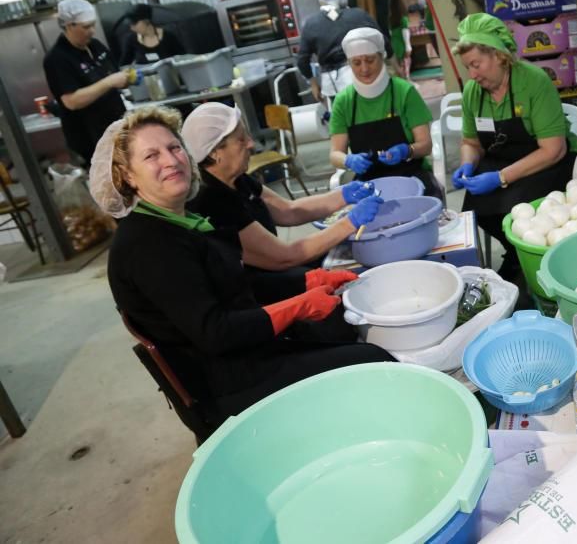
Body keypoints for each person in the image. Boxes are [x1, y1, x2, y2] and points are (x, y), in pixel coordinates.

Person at [91, 105, 394, 419]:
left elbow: (236, 280)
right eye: (151, 156)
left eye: (174, 148)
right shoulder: (148, 244)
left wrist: (309, 281)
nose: (170, 160)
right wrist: (300, 305)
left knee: (342, 328)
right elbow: (216, 332)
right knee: (373, 360)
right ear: (126, 175)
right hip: (225, 382)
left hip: (247, 352)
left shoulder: (180, 219)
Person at [451, 13, 577, 277]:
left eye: (476, 64)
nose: (473, 74)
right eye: (468, 67)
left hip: (547, 162)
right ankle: (516, 254)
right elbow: (471, 142)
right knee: (476, 208)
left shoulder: (534, 82)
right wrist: (467, 163)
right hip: (502, 158)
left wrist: (501, 177)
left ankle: (532, 258)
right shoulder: (472, 93)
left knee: (522, 206)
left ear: (499, 55)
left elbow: (553, 149)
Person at [182, 102, 384, 273]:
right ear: (215, 152)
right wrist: (350, 222)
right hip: (258, 290)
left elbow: (289, 211)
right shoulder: (212, 201)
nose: (251, 144)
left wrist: (343, 195)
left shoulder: (237, 180)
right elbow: (283, 257)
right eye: (242, 139)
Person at [328, 27, 441, 198]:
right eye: (357, 63)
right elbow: (335, 154)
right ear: (349, 64)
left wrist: (407, 151)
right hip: (369, 182)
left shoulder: (404, 92)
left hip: (412, 175)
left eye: (370, 60)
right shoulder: (344, 101)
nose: (364, 69)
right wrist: (348, 160)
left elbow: (425, 145)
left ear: (382, 57)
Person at [43, 0, 127, 165]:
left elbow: (114, 73)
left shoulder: (95, 45)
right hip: (91, 136)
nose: (92, 31)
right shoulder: (57, 58)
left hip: (117, 125)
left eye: (93, 24)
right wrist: (109, 81)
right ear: (68, 26)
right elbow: (72, 101)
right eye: (86, 27)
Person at [296, 0, 387, 103]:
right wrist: (396, 68)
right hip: (367, 78)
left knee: (344, 121)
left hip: (334, 86)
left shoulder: (311, 24)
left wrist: (313, 83)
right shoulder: (359, 15)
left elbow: (302, 61)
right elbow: (384, 43)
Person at [118, 3, 185, 65]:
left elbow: (184, 58)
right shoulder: (131, 40)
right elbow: (124, 65)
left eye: (134, 23)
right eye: (130, 24)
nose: (132, 28)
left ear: (146, 20)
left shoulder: (168, 37)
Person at [388, 0, 412, 80]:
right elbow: (405, 34)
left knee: (397, 69)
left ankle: (401, 82)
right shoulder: (403, 19)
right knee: (405, 68)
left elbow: (390, 34)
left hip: (393, 46)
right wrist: (408, 47)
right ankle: (406, 81)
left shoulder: (390, 20)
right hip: (402, 46)